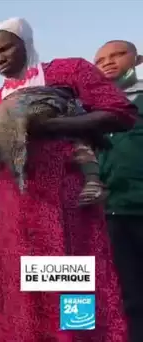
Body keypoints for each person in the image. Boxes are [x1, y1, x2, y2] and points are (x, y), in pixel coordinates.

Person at [0, 18, 137, 341]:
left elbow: (120, 113)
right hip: (15, 211)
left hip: (63, 203)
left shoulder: (67, 72)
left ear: (26, 42)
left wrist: (51, 129)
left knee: (69, 276)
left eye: (5, 47)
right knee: (27, 287)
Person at [95, 40, 143, 342]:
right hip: (110, 215)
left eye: (117, 55)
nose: (108, 63)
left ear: (137, 59)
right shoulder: (90, 109)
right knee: (127, 297)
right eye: (100, 61)